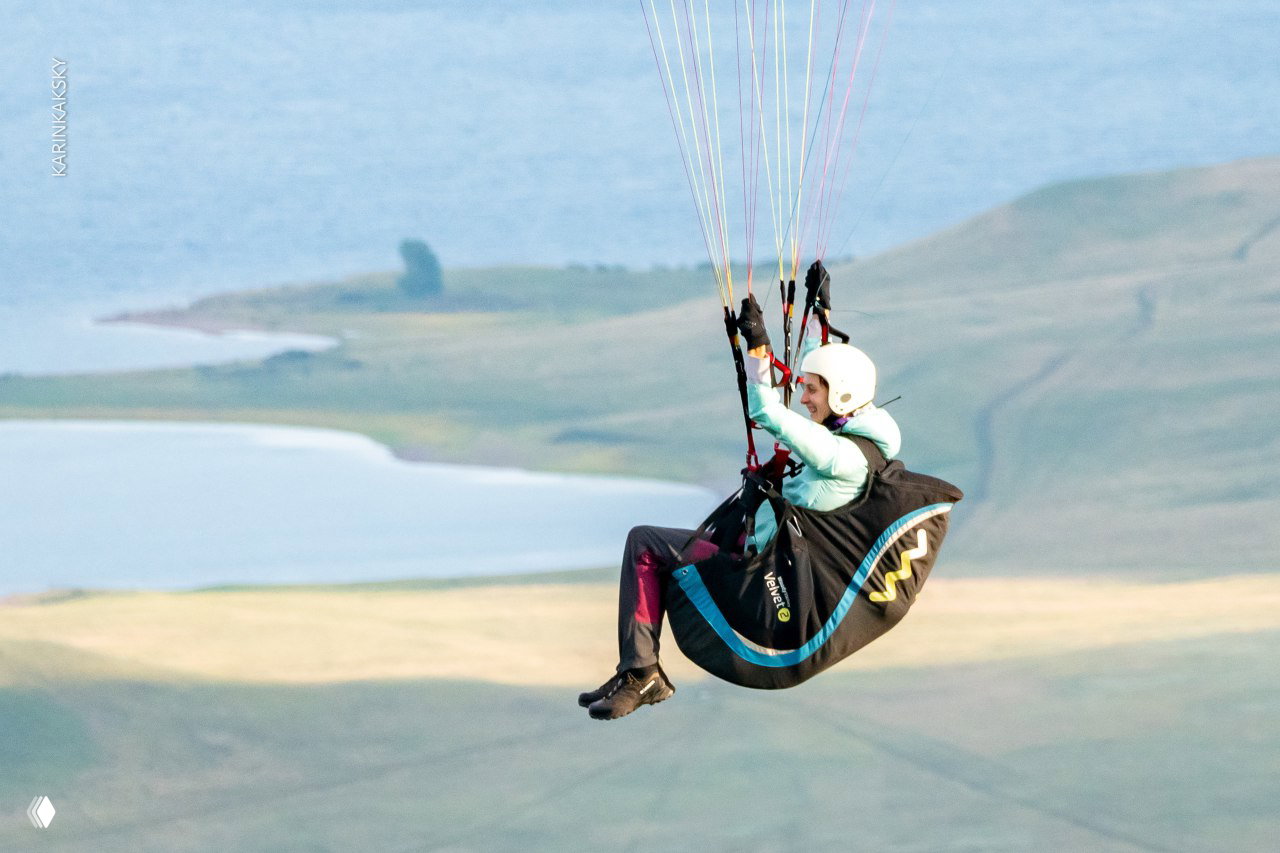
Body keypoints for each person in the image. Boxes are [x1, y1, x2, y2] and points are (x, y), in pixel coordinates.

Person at [580, 262, 901, 720]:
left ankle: (641, 673)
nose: (804, 397)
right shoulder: (853, 434)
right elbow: (823, 370)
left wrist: (758, 352)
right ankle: (636, 669)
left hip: (765, 583)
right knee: (650, 545)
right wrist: (817, 315)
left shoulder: (842, 457)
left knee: (646, 545)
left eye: (812, 391)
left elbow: (768, 413)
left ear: (841, 395)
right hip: (761, 552)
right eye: (806, 389)